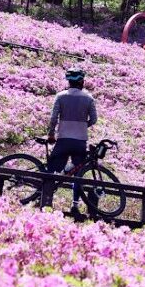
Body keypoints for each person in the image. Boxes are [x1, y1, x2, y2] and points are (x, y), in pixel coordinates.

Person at [47, 68, 97, 213]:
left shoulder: (61, 96)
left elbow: (53, 118)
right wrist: (82, 125)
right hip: (80, 141)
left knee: (51, 170)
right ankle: (75, 205)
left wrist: (51, 134)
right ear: (82, 81)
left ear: (69, 81)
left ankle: (45, 198)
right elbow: (94, 119)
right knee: (78, 174)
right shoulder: (88, 98)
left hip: (63, 138)